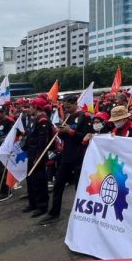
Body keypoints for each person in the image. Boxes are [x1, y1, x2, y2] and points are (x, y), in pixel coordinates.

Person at [42, 95, 89, 224]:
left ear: (74, 103)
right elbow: (65, 138)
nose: (66, 108)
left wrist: (70, 131)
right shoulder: (67, 117)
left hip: (79, 156)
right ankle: (54, 213)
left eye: (68, 105)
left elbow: (85, 137)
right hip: (66, 156)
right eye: (64, 106)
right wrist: (61, 132)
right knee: (58, 184)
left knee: (79, 187)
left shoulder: (84, 116)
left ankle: (82, 215)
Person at [22, 97, 52, 217]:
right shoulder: (35, 118)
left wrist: (38, 156)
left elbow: (42, 140)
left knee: (39, 180)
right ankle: (33, 203)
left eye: (30, 107)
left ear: (36, 107)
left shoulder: (42, 119)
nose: (28, 109)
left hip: (37, 154)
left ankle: (42, 206)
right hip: (31, 152)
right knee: (30, 179)